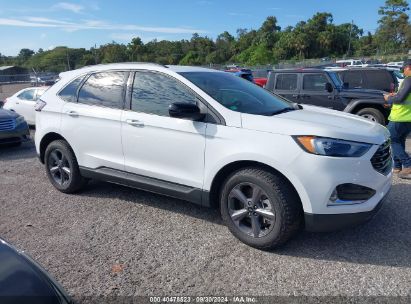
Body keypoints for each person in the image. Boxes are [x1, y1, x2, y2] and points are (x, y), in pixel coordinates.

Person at [384, 59, 411, 179]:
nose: (403, 71)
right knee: (399, 141)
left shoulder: (409, 79)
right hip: (407, 118)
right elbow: (404, 96)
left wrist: (388, 99)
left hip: (400, 117)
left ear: (408, 67)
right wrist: (396, 95)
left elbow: (400, 99)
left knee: (392, 140)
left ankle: (408, 164)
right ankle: (397, 166)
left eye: (403, 69)